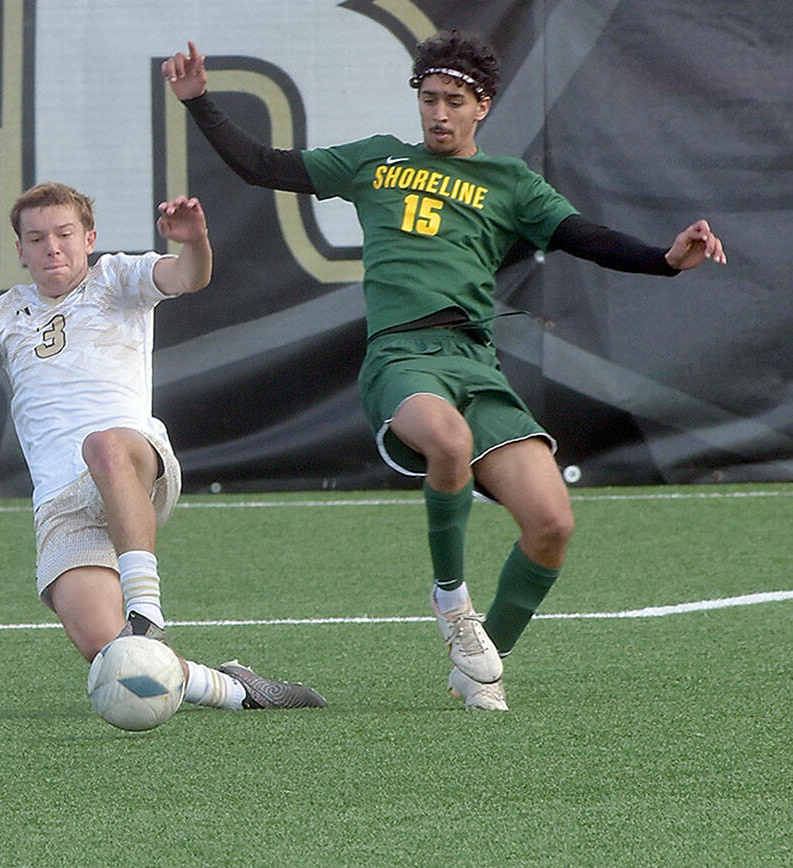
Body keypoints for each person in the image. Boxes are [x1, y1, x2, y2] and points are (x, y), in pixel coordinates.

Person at [162, 34, 726, 710]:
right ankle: (453, 606)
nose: (438, 113)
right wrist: (200, 103)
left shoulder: (510, 183)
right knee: (449, 441)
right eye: (429, 99)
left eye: (453, 101)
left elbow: (586, 238)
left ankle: (482, 666)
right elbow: (262, 165)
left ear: (482, 106)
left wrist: (664, 260)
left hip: (474, 364)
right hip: (402, 357)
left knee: (552, 525)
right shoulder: (377, 160)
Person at [0, 181, 326, 714]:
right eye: (36, 238)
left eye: (64, 234)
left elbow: (190, 276)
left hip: (133, 462)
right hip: (61, 502)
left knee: (101, 447)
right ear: (21, 250)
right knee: (111, 653)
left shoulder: (118, 277)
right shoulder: (4, 315)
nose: (52, 247)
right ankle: (236, 690)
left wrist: (196, 243)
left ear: (89, 238)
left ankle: (146, 610)